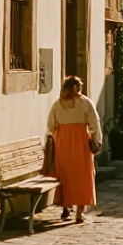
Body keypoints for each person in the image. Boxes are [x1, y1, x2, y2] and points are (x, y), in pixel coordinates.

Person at [47, 76, 101, 223]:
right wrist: (96, 140)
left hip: (65, 142)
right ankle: (73, 210)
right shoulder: (84, 103)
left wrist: (61, 134)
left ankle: (74, 210)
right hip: (79, 141)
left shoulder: (59, 104)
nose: (79, 90)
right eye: (77, 87)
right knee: (75, 175)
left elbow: (51, 125)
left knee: (73, 175)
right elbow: (94, 123)